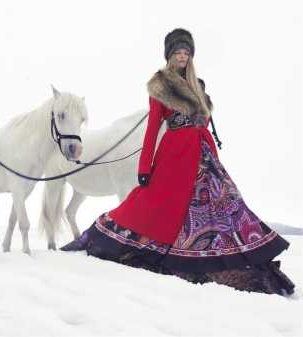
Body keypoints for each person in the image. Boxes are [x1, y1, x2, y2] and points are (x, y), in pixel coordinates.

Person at [60, 28, 295, 296]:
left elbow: (204, 122)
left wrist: (203, 105)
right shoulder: (159, 86)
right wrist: (144, 167)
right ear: (170, 55)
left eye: (186, 53)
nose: (182, 57)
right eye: (178, 53)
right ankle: (103, 239)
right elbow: (152, 129)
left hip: (201, 151)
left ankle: (222, 255)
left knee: (224, 203)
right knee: (153, 203)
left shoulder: (199, 85)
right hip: (174, 152)